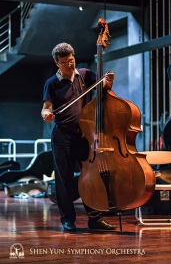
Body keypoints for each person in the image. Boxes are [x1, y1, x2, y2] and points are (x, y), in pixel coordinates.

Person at [41, 42, 116, 232]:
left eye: (71, 60)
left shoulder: (85, 75)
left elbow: (104, 92)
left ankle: (95, 218)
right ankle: (67, 219)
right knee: (64, 179)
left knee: (92, 176)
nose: (70, 65)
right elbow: (46, 107)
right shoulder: (52, 83)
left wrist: (108, 83)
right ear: (57, 63)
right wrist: (46, 115)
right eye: (65, 62)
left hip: (83, 133)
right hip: (62, 135)